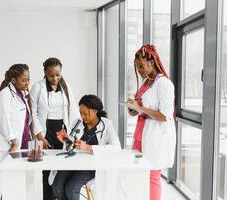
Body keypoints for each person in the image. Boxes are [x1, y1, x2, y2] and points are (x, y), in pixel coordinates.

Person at [127, 44, 176, 200]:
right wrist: (133, 109)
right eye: (137, 67)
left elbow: (165, 115)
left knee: (152, 176)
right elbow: (141, 107)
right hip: (141, 134)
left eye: (142, 66)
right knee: (140, 174)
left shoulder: (164, 84)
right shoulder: (146, 83)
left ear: (152, 62)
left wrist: (140, 109)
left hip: (156, 137)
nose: (140, 70)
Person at [52, 95, 121, 200]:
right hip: (73, 163)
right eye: (81, 113)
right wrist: (65, 140)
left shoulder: (106, 125)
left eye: (85, 113)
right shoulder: (78, 123)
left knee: (71, 189)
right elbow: (73, 145)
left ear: (95, 111)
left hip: (90, 167)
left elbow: (116, 147)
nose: (82, 117)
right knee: (57, 186)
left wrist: (88, 147)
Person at [30, 57, 80, 200]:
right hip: (45, 130)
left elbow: (73, 110)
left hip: (62, 131)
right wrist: (40, 137)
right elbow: (32, 113)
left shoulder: (66, 87)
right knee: (47, 168)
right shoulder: (37, 87)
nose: (55, 78)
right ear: (45, 72)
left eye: (58, 75)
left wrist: (72, 135)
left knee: (60, 166)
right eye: (51, 75)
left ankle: (59, 196)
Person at [0, 64, 33, 170]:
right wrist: (13, 141)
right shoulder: (5, 94)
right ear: (14, 80)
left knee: (27, 177)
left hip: (25, 141)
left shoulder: (23, 94)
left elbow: (26, 121)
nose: (27, 83)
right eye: (24, 80)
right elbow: (4, 120)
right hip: (12, 145)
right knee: (12, 179)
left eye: (28, 80)